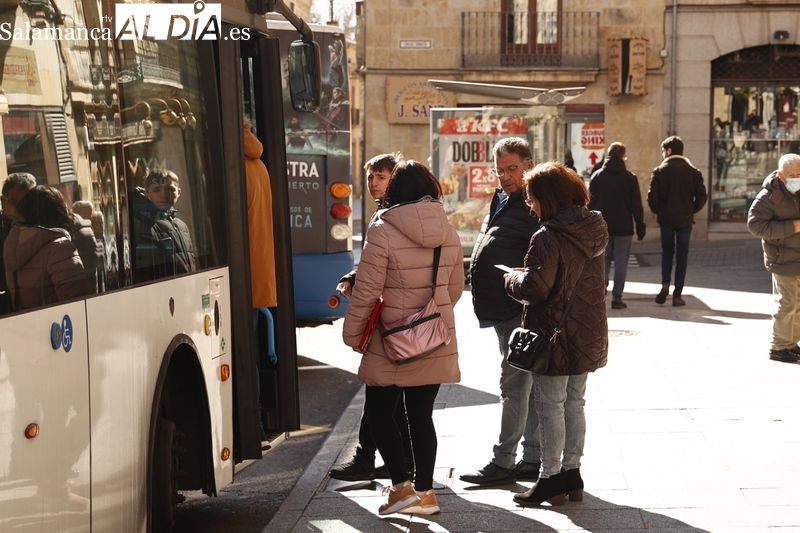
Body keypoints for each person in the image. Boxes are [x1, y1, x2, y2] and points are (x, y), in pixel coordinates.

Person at [341, 160, 463, 516]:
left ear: (395, 191)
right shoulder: (449, 231)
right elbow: (454, 289)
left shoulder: (383, 229)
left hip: (391, 340)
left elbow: (367, 290)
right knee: (421, 416)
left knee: (381, 414)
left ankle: (400, 489)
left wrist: (353, 334)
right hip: (434, 337)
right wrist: (428, 316)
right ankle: (425, 494)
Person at [504, 161, 608, 507]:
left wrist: (512, 278)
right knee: (575, 402)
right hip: (586, 330)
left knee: (550, 405)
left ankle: (550, 478)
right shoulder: (594, 227)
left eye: (531, 198)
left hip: (554, 332)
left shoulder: (547, 236)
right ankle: (572, 473)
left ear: (547, 198)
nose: (529, 205)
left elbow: (536, 288)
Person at [459, 137, 542, 486]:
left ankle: (505, 460)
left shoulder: (534, 204)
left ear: (528, 166)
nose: (505, 176)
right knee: (525, 385)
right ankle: (532, 457)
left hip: (516, 308)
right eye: (499, 170)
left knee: (514, 385)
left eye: (512, 169)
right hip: (501, 307)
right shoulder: (503, 199)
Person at [329, 152, 415, 482]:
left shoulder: (395, 215)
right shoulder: (384, 211)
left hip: (395, 316)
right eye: (370, 177)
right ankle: (399, 459)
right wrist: (353, 276)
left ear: (397, 179)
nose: (373, 183)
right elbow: (374, 261)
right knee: (388, 395)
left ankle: (372, 458)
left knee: (381, 392)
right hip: (394, 315)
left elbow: (389, 263)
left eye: (381, 176)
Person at [3, 185, 94, 310]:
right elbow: (79, 304)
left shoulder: (11, 246)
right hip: (58, 321)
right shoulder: (60, 247)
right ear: (58, 212)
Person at [747, 153, 800, 363]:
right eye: (792, 175)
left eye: (799, 174)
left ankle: (791, 343)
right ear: (780, 175)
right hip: (782, 258)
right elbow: (755, 225)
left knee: (797, 303)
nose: (796, 178)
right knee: (787, 303)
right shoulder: (769, 196)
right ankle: (778, 347)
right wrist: (793, 226)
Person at [646, 136, 708, 307]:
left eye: (663, 150)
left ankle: (665, 284)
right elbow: (702, 196)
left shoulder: (660, 171)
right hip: (685, 220)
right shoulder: (693, 171)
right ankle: (677, 295)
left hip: (666, 219)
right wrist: (692, 209)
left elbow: (652, 197)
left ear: (669, 151)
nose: (662, 154)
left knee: (667, 252)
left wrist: (658, 211)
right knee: (682, 256)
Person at [588, 142, 646, 309]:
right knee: (621, 263)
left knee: (602, 261)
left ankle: (602, 291)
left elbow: (589, 204)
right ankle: (617, 298)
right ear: (622, 156)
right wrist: (640, 225)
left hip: (601, 227)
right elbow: (636, 205)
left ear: (608, 155)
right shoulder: (629, 178)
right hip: (623, 228)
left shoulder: (597, 176)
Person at [131, 169, 197, 281]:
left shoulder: (182, 225)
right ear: (147, 194)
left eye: (170, 189)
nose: (163, 194)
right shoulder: (142, 225)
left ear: (179, 192)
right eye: (156, 190)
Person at [1, 172, 37, 313]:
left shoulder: (44, 227)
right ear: (3, 201)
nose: (21, 208)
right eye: (14, 202)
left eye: (27, 202)